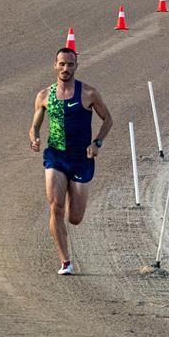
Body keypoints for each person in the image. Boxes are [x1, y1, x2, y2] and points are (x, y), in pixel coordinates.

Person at [28, 47, 113, 275]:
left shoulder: (88, 93)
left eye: (70, 65)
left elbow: (108, 120)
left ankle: (70, 199)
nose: (65, 68)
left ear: (76, 66)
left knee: (74, 218)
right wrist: (34, 138)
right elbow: (35, 125)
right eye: (62, 64)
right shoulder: (44, 95)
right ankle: (66, 262)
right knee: (55, 206)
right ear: (55, 65)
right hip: (56, 156)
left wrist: (97, 143)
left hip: (81, 159)